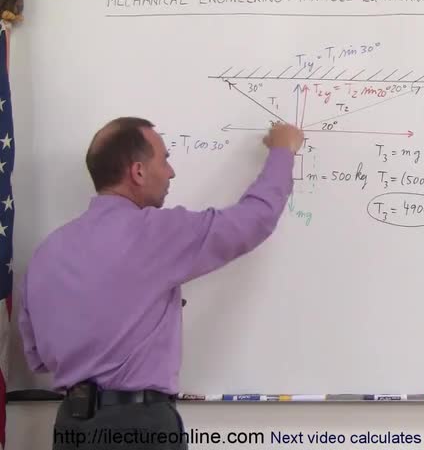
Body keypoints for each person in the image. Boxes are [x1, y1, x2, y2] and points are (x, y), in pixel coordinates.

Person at [17, 117, 304, 449]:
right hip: (139, 428)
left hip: (70, 428)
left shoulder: (46, 253)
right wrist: (283, 151)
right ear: (138, 172)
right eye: (165, 159)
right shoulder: (154, 232)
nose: (171, 172)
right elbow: (253, 221)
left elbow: (38, 359)